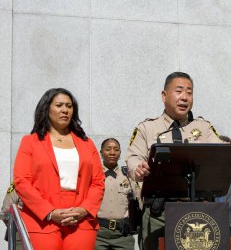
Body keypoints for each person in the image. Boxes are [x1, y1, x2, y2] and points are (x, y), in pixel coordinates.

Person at [126, 71, 223, 250]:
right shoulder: (147, 128)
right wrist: (138, 168)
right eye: (179, 91)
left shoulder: (204, 127)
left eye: (189, 92)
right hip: (159, 213)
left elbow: (220, 153)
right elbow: (133, 158)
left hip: (198, 212)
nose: (184, 97)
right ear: (164, 95)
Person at [13, 88, 105, 250]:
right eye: (59, 105)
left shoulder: (87, 143)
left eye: (69, 106)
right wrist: (49, 212)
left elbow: (98, 182)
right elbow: (22, 182)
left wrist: (84, 209)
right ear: (46, 108)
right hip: (42, 219)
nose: (65, 110)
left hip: (80, 219)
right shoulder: (30, 142)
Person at [96, 138, 139, 249]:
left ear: (120, 154)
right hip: (98, 234)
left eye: (116, 149)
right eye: (108, 149)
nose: (112, 152)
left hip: (123, 235)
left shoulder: (128, 176)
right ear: (101, 152)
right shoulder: (94, 175)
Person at [1, 182, 23, 250]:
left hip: (19, 236)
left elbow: (5, 209)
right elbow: (6, 211)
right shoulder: (17, 186)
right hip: (20, 236)